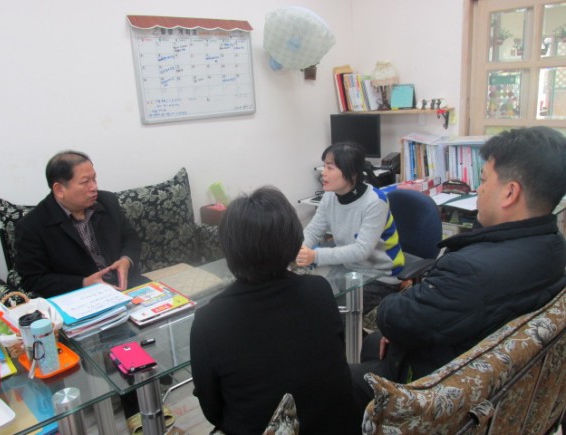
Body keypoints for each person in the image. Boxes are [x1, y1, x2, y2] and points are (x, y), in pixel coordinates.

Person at [351, 126, 566, 413]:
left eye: (483, 180)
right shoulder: (553, 244)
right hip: (486, 369)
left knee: (329, 381)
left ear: (510, 192)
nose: (479, 189)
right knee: (373, 344)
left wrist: (398, 314)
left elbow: (394, 317)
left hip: (431, 390)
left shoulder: (468, 271)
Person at [190, 186, 361, 434]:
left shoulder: (209, 320)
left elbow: (212, 409)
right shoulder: (319, 290)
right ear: (292, 238)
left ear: (229, 248)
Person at [15, 150, 145, 297]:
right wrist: (84, 283)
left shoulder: (108, 201)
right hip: (79, 297)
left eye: (94, 179)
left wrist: (126, 260)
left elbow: (130, 237)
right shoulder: (32, 226)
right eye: (85, 182)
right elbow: (33, 279)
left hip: (128, 284)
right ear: (59, 189)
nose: (94, 187)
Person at [296, 141, 405, 315]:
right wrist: (301, 249)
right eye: (324, 166)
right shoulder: (329, 197)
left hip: (380, 276)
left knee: (331, 314)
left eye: (330, 167)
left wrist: (315, 256)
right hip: (348, 268)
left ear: (352, 173)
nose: (323, 172)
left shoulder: (375, 202)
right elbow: (313, 231)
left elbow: (361, 251)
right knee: (310, 300)